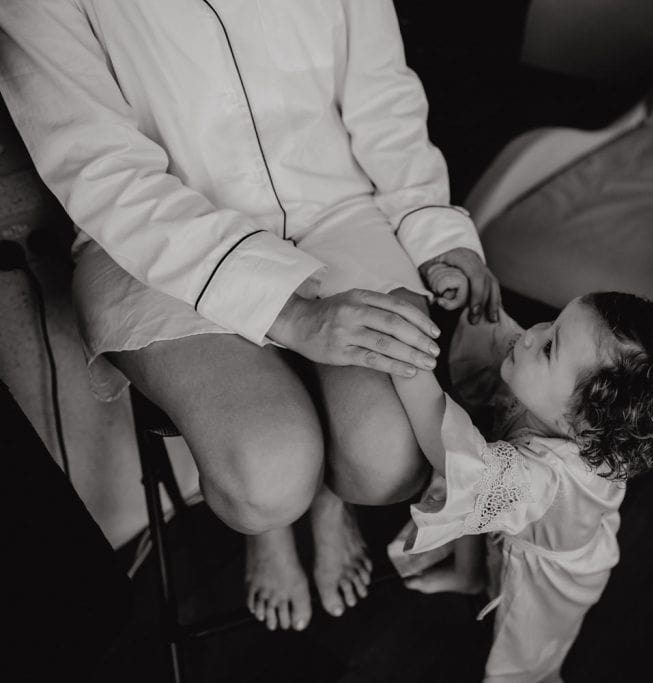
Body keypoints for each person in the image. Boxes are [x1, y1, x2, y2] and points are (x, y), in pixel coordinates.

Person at [0, 0, 500, 631]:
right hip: (150, 240)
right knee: (266, 478)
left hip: (338, 211)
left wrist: (433, 227)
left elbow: (381, 88)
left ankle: (329, 499)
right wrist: (289, 316)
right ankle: (275, 524)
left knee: (389, 461)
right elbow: (100, 170)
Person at [386, 292, 653, 682]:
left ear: (575, 425)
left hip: (547, 582)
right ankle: (469, 574)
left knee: (526, 655)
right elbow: (499, 336)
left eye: (549, 348)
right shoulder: (567, 410)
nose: (531, 334)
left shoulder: (547, 477)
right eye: (553, 321)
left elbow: (459, 462)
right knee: (473, 507)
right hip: (525, 523)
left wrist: (407, 365)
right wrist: (476, 299)